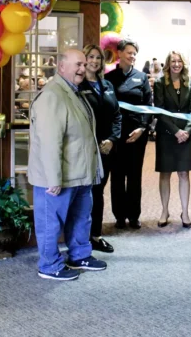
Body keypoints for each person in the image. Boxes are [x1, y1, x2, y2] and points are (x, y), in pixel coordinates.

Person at [28, 48, 106, 281]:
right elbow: (50, 141)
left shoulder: (73, 92)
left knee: (81, 218)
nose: (83, 68)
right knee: (51, 223)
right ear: (62, 67)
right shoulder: (53, 95)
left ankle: (80, 255)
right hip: (58, 176)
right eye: (77, 64)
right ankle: (49, 265)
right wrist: (53, 178)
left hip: (79, 173)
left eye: (84, 64)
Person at [105, 39, 152, 229]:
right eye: (129, 52)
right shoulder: (109, 78)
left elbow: (148, 106)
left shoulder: (142, 78)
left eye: (134, 54)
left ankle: (134, 216)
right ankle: (119, 216)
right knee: (117, 177)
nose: (132, 56)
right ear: (120, 53)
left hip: (136, 136)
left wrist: (142, 128)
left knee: (134, 177)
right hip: (116, 136)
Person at [80, 44, 121, 254]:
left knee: (99, 192)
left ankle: (96, 235)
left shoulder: (108, 85)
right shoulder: (77, 86)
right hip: (86, 149)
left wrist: (112, 139)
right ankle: (79, 237)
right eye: (90, 57)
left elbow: (116, 115)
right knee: (83, 193)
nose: (94, 61)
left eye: (98, 57)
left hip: (106, 149)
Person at [154, 51, 191, 228]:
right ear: (167, 63)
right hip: (166, 133)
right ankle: (164, 211)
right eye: (173, 61)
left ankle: (185, 212)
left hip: (185, 135)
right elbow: (159, 110)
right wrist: (175, 131)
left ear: (183, 64)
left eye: (179, 61)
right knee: (165, 173)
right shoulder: (160, 83)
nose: (176, 64)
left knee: (183, 174)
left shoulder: (190, 82)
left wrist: (186, 131)